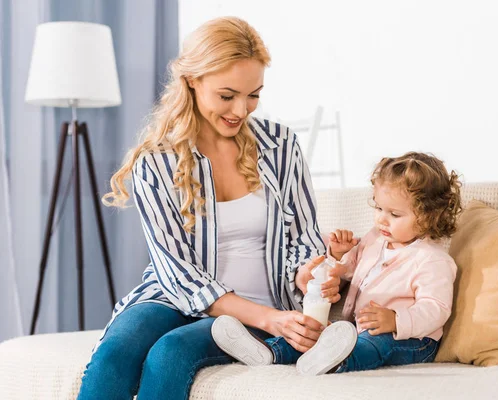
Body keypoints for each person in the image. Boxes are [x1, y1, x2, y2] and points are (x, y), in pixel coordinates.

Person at [77, 17, 345, 400]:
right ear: (192, 81)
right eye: (227, 95)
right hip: (174, 296)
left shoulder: (280, 146)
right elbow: (179, 273)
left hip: (263, 305)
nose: (241, 109)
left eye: (253, 94)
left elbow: (302, 239)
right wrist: (270, 319)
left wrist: (306, 274)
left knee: (169, 355)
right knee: (115, 354)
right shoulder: (155, 163)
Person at [211, 152, 462, 375]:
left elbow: (435, 309)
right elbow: (346, 270)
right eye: (379, 208)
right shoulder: (376, 239)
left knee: (374, 345)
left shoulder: (433, 260)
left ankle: (336, 362)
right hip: (354, 331)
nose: (382, 220)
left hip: (411, 340)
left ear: (430, 217)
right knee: (313, 331)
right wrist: (339, 254)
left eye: (394, 214)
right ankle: (268, 352)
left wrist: (396, 320)